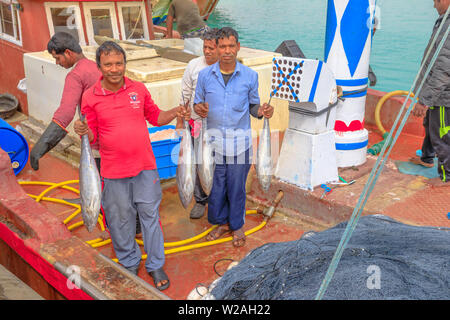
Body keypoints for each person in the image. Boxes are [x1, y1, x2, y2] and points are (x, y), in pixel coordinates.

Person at [73, 41, 190, 291]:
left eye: (119, 63)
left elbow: (155, 117)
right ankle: (129, 260)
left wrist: (176, 112)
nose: (115, 69)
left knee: (150, 216)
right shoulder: (90, 96)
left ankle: (155, 263)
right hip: (113, 171)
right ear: (99, 67)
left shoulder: (138, 88)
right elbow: (92, 137)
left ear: (125, 64)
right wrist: (82, 131)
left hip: (145, 167)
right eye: (108, 64)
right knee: (119, 219)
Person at [194, 27, 274, 247]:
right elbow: (197, 103)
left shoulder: (250, 76)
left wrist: (262, 111)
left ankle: (236, 225)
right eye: (222, 46)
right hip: (213, 143)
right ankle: (220, 223)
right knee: (216, 186)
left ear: (238, 47)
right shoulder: (204, 76)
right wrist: (198, 108)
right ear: (217, 48)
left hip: (240, 144)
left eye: (231, 46)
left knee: (236, 187)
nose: (227, 51)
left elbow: (253, 106)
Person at [29, 32, 101, 171]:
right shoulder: (96, 66)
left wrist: (39, 148)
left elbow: (65, 114)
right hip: (116, 137)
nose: (57, 63)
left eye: (57, 58)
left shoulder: (75, 75)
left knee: (98, 186)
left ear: (68, 53)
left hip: (97, 141)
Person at [180, 28, 220, 219]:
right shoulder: (193, 65)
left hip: (220, 126)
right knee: (198, 162)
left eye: (212, 48)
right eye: (205, 47)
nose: (207, 51)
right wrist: (181, 121)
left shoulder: (227, 67)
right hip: (196, 123)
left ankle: (218, 199)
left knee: (220, 163)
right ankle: (200, 200)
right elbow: (185, 94)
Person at [409, 0, 449, 185]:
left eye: (436, 1)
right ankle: (427, 158)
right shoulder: (444, 20)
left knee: (442, 134)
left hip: (444, 95)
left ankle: (447, 176)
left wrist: (424, 101)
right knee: (430, 125)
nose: (434, 6)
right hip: (436, 92)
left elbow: (443, 70)